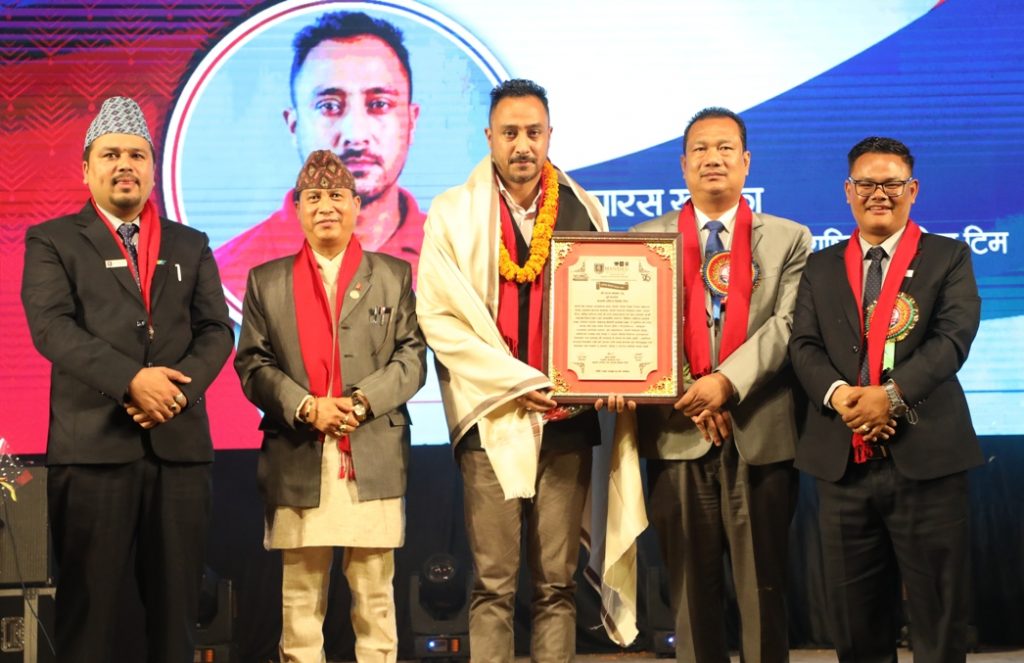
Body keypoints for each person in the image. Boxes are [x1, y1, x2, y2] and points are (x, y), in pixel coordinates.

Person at [20, 96, 233, 663]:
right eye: (110, 154)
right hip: (92, 451)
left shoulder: (191, 244)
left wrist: (173, 393)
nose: (125, 165)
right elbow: (51, 328)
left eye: (137, 155)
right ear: (85, 168)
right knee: (89, 618)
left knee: (176, 616)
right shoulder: (52, 240)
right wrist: (133, 381)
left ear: (152, 169)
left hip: (179, 453)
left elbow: (217, 331)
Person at [416, 79, 621, 661]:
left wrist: (614, 373)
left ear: (550, 135)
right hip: (492, 414)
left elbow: (609, 312)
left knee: (557, 583)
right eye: (510, 133)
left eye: (533, 132)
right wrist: (515, 381)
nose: (523, 145)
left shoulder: (584, 207)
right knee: (493, 582)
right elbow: (437, 316)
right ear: (489, 137)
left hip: (566, 418)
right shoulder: (453, 213)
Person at [789, 136, 983, 663]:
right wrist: (842, 397)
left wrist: (890, 397)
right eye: (867, 184)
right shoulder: (821, 265)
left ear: (912, 190)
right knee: (855, 626)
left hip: (928, 459)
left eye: (892, 183)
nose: (879, 193)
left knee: (939, 619)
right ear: (847, 191)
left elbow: (952, 339)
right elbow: (803, 345)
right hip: (843, 461)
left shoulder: (949, 256)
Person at [631, 107, 812, 663]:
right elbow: (637, 330)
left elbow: (788, 325)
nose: (713, 158)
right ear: (683, 164)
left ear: (746, 161)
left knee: (763, 591)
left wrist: (726, 383)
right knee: (689, 594)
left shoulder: (789, 238)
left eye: (726, 148)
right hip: (676, 429)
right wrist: (693, 389)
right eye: (701, 149)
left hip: (760, 431)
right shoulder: (643, 240)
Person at [234, 149, 426, 663]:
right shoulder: (266, 281)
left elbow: (412, 359)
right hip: (300, 453)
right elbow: (252, 364)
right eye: (314, 197)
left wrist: (363, 402)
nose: (326, 206)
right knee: (299, 605)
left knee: (376, 600)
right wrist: (305, 407)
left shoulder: (393, 275)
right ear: (296, 207)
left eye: (337, 195)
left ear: (356, 205)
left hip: (373, 452)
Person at [215, 10, 424, 301]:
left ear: (411, 122)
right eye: (329, 106)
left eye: (379, 104)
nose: (355, 134)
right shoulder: (226, 277)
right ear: (294, 125)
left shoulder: (462, 263)